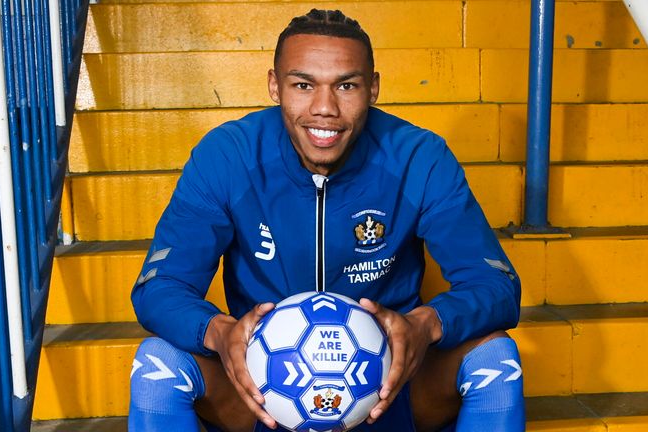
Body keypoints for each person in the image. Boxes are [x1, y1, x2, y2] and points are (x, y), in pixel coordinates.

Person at [128, 9, 524, 432]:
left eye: (346, 85)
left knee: (496, 360)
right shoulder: (229, 155)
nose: (324, 109)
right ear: (273, 86)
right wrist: (218, 332)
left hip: (390, 388)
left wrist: (426, 324)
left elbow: (497, 285)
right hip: (261, 395)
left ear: (372, 88)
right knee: (158, 365)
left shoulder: (417, 157)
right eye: (302, 85)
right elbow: (159, 286)